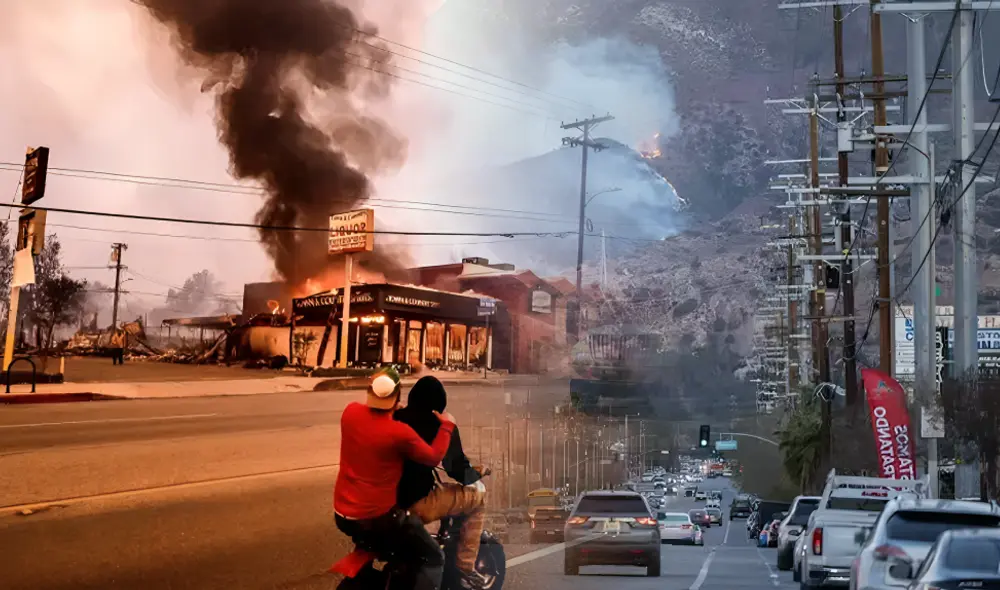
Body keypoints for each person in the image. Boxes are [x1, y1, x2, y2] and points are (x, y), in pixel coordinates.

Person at [333, 367, 456, 590]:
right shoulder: (399, 433)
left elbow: (370, 417)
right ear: (397, 397)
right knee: (433, 557)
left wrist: (388, 409)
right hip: (379, 518)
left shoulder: (349, 413)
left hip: (342, 514)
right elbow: (433, 457)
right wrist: (447, 425)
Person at [394, 376, 488, 590]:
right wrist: (480, 473)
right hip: (417, 502)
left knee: (445, 491)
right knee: (479, 497)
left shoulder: (396, 416)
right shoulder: (442, 425)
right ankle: (465, 566)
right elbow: (459, 472)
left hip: (389, 499)